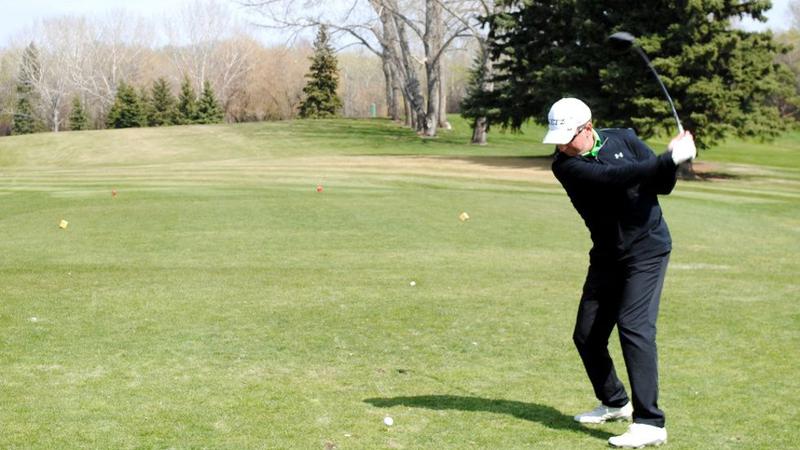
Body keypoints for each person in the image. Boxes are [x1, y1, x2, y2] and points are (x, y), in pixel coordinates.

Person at [543, 97, 696, 448]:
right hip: (607, 254)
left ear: (588, 128)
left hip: (647, 249)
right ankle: (615, 402)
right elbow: (613, 177)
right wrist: (667, 158)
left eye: (567, 138)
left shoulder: (624, 138)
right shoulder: (565, 166)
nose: (562, 146)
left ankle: (651, 423)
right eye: (558, 140)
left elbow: (662, 185)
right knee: (587, 335)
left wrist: (675, 159)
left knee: (634, 326)